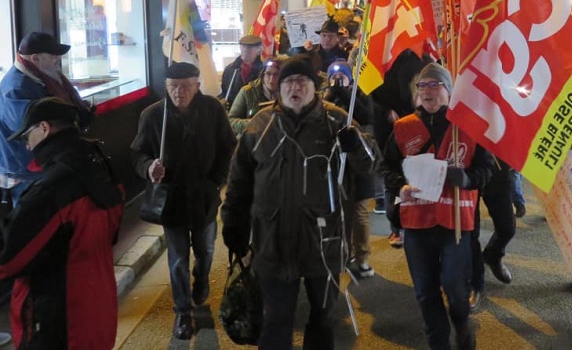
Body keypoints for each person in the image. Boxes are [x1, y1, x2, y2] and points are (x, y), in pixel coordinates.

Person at [222, 54, 379, 350]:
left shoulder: (336, 121)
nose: (295, 87)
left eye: (302, 81)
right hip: (273, 241)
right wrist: (233, 219)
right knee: (276, 320)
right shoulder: (261, 124)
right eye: (288, 82)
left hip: (325, 241)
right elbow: (239, 180)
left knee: (322, 319)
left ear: (314, 87)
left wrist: (357, 145)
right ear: (278, 88)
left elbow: (371, 164)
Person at [381, 63, 494, 350]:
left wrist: (467, 178)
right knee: (424, 292)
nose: (428, 91)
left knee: (456, 290)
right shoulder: (403, 127)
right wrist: (399, 187)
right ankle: (438, 344)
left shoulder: (468, 126)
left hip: (456, 222)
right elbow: (387, 168)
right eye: (422, 85)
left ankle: (463, 327)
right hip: (416, 221)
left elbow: (486, 169)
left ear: (448, 90)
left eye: (435, 84)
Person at [0, 97, 124, 349]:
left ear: (44, 128)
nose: (27, 145)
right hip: (98, 312)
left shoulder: (51, 190)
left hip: (61, 324)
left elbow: (7, 260)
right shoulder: (101, 164)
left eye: (27, 136)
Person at [131, 62, 236, 340]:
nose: (180, 92)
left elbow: (228, 146)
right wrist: (148, 167)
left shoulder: (213, 110)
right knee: (177, 259)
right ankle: (183, 311)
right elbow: (137, 154)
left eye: (187, 85)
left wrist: (216, 180)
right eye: (174, 86)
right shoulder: (153, 116)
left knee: (206, 250)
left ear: (197, 85)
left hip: (204, 196)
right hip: (171, 199)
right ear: (166, 87)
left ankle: (201, 280)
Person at [0, 32, 93, 207]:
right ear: (35, 58)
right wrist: (69, 116)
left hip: (44, 164)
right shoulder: (15, 88)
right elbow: (31, 131)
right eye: (53, 56)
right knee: (31, 222)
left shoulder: (40, 77)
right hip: (26, 170)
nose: (58, 59)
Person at [322, 60, 375, 278]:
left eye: (341, 77)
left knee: (359, 212)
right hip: (336, 166)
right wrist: (331, 95)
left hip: (358, 163)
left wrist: (345, 95)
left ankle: (362, 257)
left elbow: (366, 118)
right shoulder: (323, 100)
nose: (337, 82)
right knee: (337, 212)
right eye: (333, 78)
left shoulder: (361, 97)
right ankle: (341, 254)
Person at [371, 49, 430, 246]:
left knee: (416, 175)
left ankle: (418, 222)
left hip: (417, 125)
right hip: (389, 129)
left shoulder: (424, 58)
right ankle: (396, 226)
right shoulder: (381, 59)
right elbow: (370, 91)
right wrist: (386, 110)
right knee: (393, 177)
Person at [469, 159, 517, 312]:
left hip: (499, 169)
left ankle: (493, 255)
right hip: (468, 170)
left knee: (507, 228)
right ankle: (475, 284)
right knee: (470, 234)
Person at [228, 56, 284, 135]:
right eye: (268, 74)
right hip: (251, 142)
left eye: (276, 75)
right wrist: (254, 124)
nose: (271, 79)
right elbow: (231, 121)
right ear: (263, 74)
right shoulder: (247, 92)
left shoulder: (288, 94)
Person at [220, 34, 264, 107]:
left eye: (249, 48)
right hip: (233, 110)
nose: (245, 50)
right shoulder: (230, 69)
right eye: (243, 47)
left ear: (259, 51)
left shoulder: (264, 71)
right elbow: (224, 92)